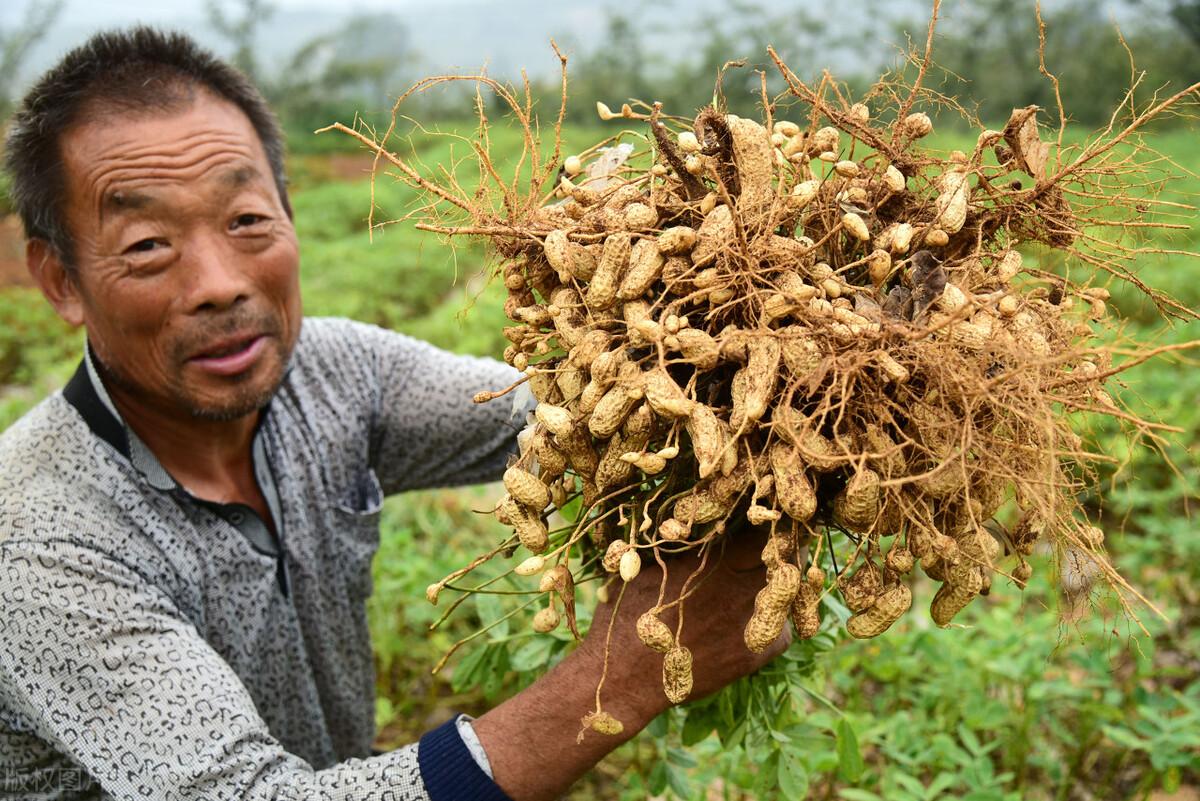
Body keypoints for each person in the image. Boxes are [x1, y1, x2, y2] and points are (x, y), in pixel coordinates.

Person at [0, 27, 786, 801]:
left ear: (289, 215)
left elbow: (556, 413)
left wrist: (767, 359)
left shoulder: (335, 373)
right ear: (59, 280)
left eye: (245, 221)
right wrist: (624, 675)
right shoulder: (36, 545)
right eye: (145, 245)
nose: (219, 283)